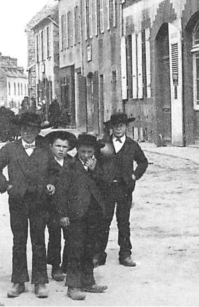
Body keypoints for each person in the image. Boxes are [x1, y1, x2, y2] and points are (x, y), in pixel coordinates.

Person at [0, 112, 53, 298]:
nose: (28, 133)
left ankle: (40, 281)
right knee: (19, 241)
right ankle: (19, 281)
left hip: (39, 201)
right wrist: (7, 186)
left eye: (32, 129)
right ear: (19, 130)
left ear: (37, 131)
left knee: (39, 241)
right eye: (24, 129)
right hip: (18, 201)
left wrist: (51, 183)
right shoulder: (10, 148)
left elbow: (54, 171)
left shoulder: (45, 149)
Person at [56, 133, 108, 301]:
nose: (86, 155)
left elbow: (105, 184)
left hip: (93, 214)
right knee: (75, 250)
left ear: (94, 152)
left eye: (90, 152)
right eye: (83, 152)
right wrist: (63, 214)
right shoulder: (69, 166)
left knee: (90, 248)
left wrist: (95, 171)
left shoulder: (96, 166)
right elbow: (61, 192)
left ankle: (87, 281)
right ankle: (73, 285)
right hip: (76, 214)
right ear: (77, 150)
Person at [95, 112, 148, 267]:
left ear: (126, 127)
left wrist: (134, 175)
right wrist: (101, 175)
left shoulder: (132, 145)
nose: (118, 129)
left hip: (124, 188)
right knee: (104, 221)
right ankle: (99, 254)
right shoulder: (103, 144)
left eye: (121, 126)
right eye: (115, 126)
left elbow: (143, 162)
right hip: (106, 188)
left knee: (123, 221)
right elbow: (95, 162)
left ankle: (125, 254)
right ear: (111, 127)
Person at [44, 130, 76, 282]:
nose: (61, 150)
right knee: (54, 237)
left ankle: (66, 264)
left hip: (69, 207)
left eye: (65, 146)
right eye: (58, 146)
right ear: (51, 147)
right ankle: (55, 266)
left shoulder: (72, 163)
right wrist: (47, 185)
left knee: (70, 237)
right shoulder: (46, 163)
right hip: (52, 208)